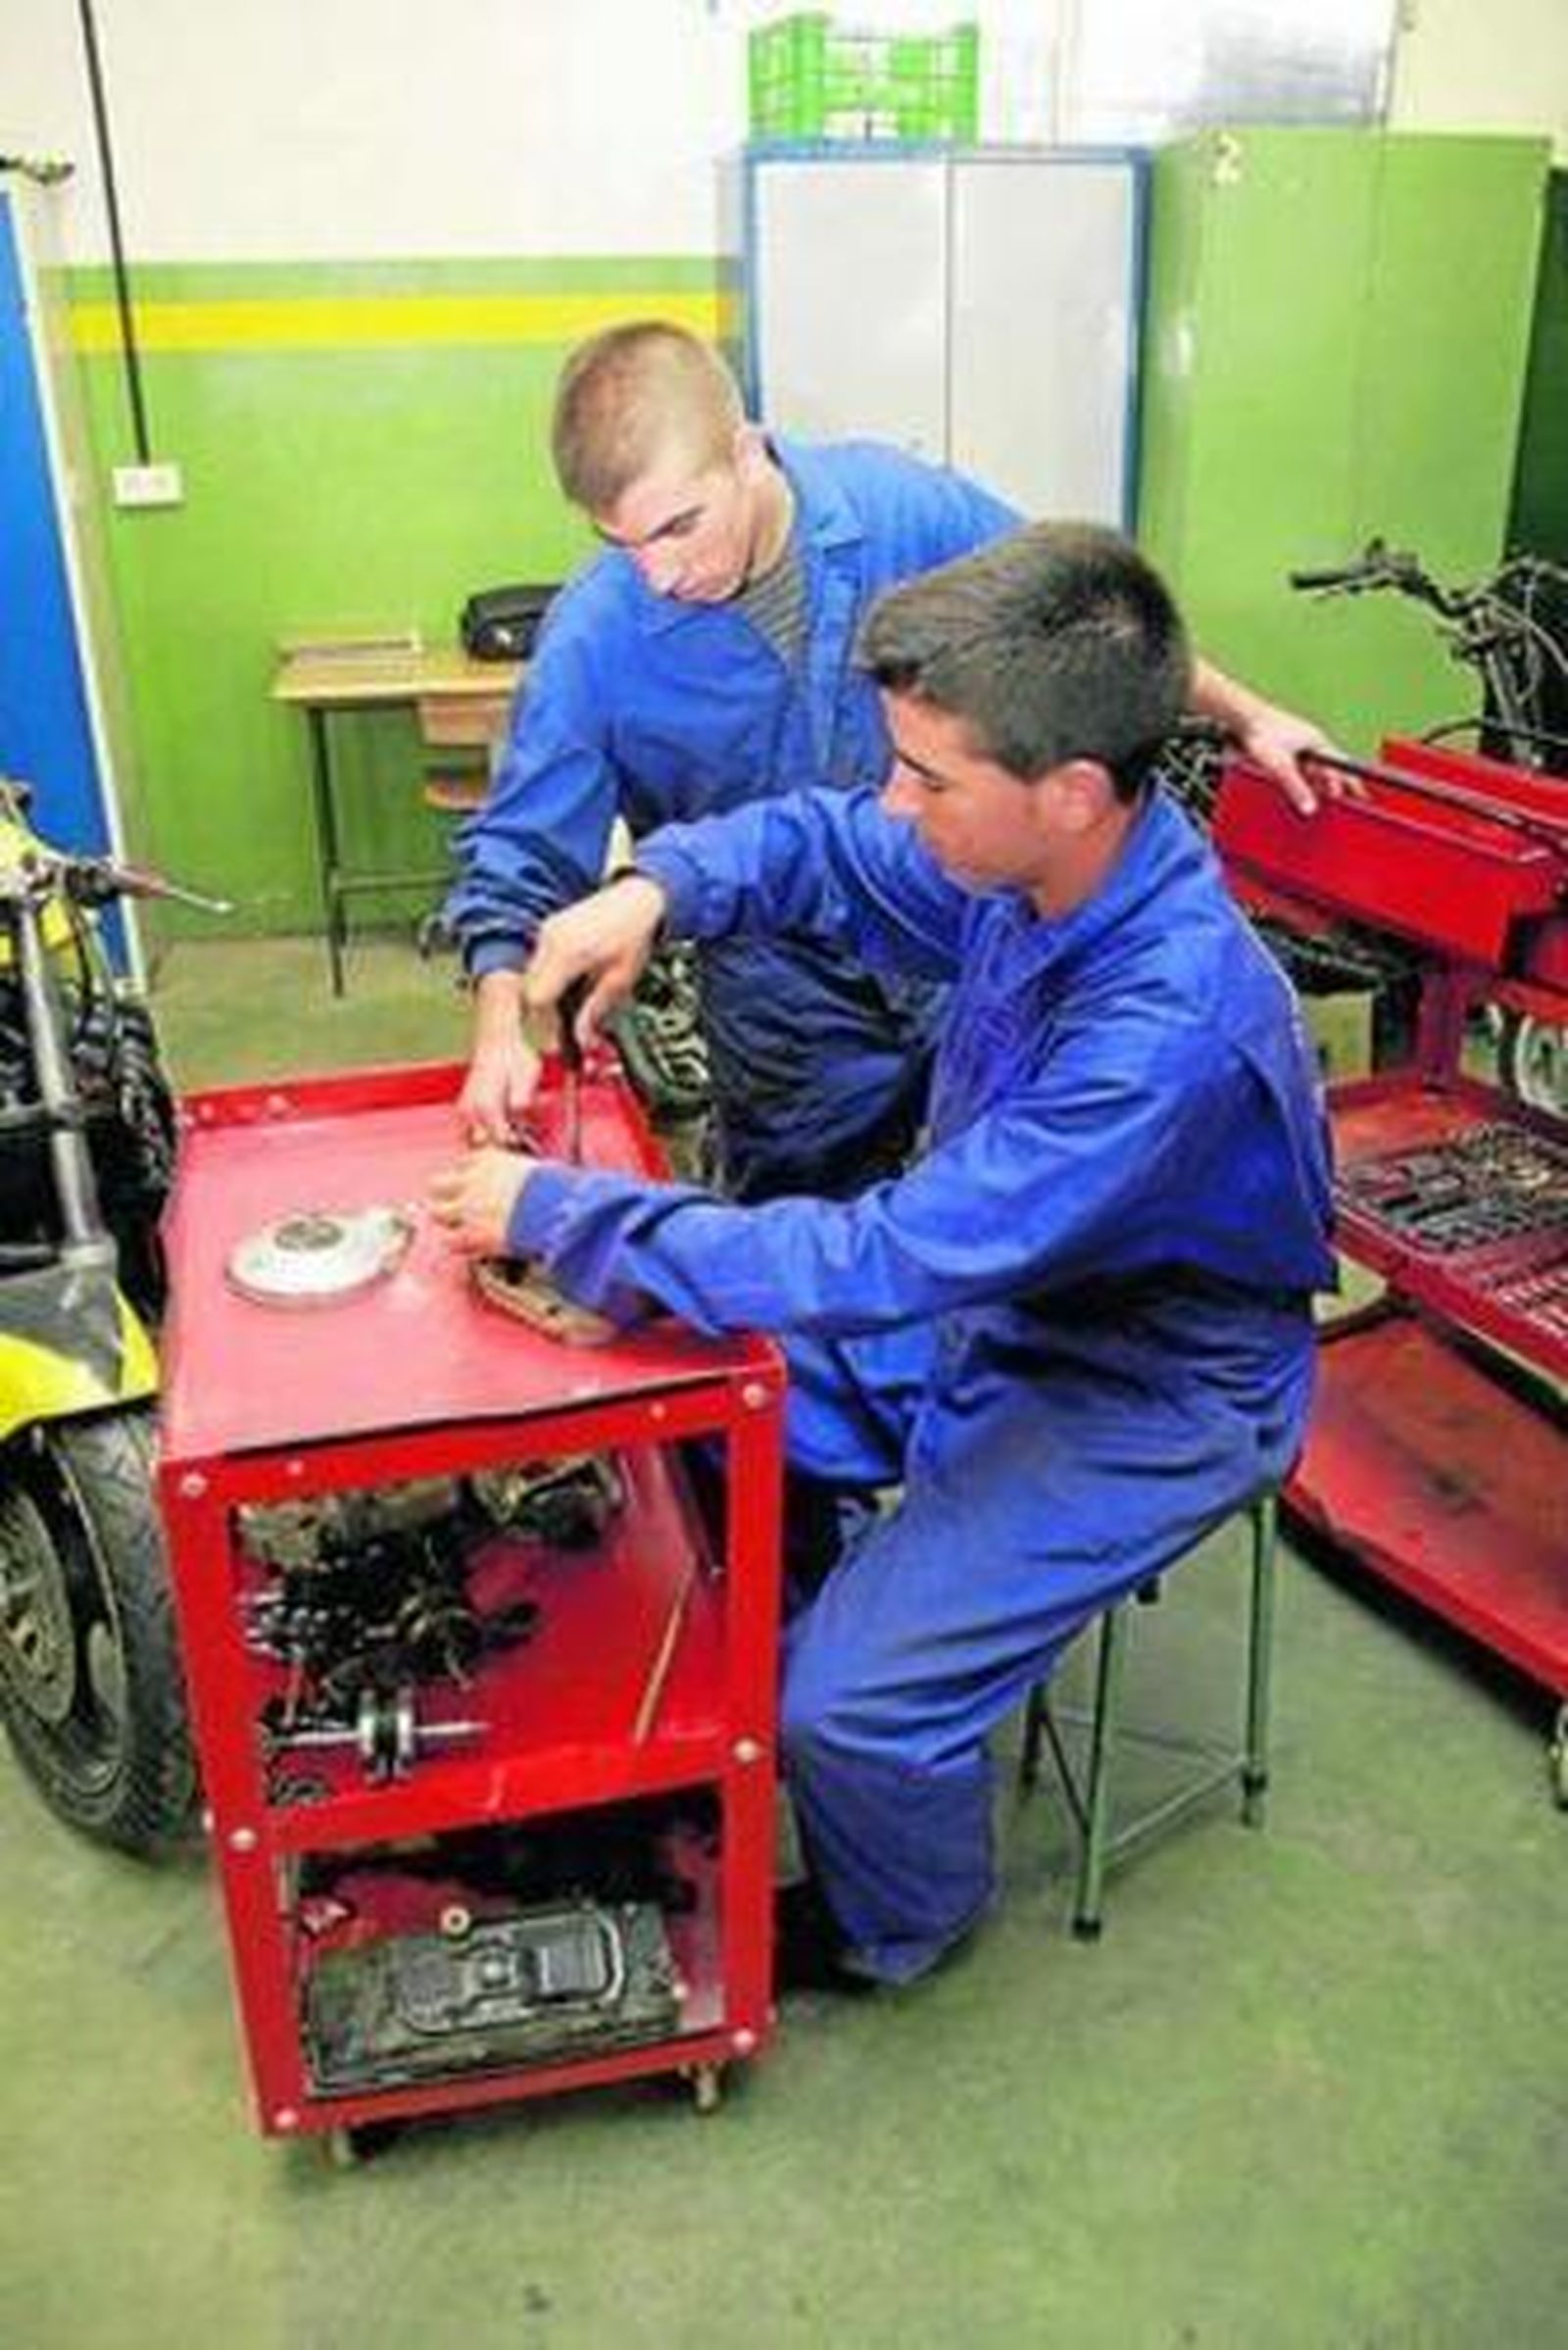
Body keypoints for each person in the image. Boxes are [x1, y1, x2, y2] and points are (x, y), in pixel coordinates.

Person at [428, 521, 1337, 1990]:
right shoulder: (1029, 872)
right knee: (710, 1400)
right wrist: (654, 888)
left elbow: (892, 1252)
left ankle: (891, 1915)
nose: (896, 803)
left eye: (929, 777)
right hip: (1007, 1302)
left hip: (1147, 1387)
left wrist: (561, 1213)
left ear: (1074, 791)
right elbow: (818, 841)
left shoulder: (1163, 1032)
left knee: (844, 1709)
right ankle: (814, 1641)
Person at [445, 319, 1335, 1202]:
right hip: (783, 1003)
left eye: (680, 526)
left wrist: (1250, 716)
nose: (659, 575)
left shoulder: (902, 514)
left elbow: (1081, 627)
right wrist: (499, 1026)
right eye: (622, 543)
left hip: (961, 942)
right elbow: (522, 854)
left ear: (747, 451)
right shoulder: (597, 635)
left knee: (999, 1213)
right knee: (800, 1246)